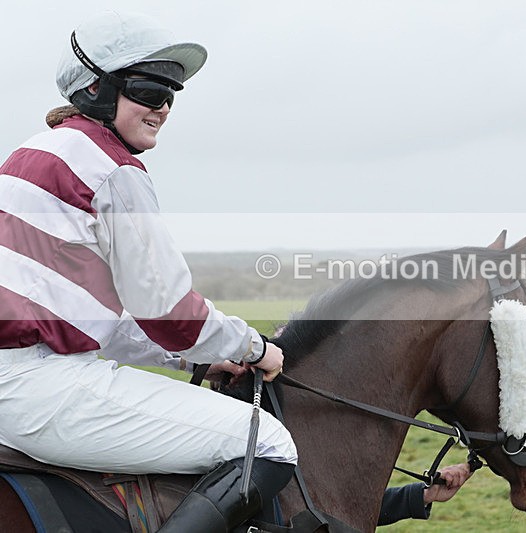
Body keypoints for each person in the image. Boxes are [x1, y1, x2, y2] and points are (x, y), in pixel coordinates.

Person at [0, 10, 473, 531]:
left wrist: (197, 363)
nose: (162, 108)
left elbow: (89, 324)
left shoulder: (30, 157)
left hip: (25, 379)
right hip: (42, 388)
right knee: (265, 443)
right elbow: (171, 312)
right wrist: (254, 349)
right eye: (149, 91)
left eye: (170, 96)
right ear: (94, 89)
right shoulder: (111, 169)